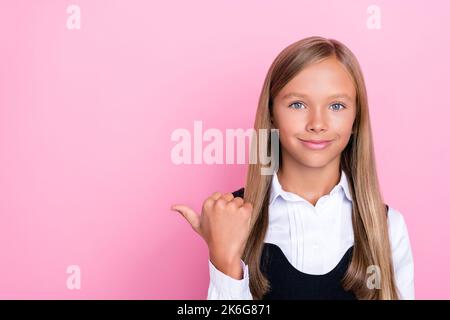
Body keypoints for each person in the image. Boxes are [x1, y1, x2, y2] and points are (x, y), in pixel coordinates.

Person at [171, 36, 414, 300]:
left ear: (356, 118)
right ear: (272, 113)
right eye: (297, 104)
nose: (317, 123)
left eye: (337, 105)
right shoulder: (235, 220)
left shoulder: (387, 227)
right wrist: (225, 261)